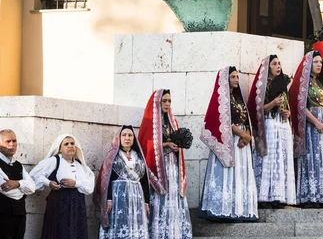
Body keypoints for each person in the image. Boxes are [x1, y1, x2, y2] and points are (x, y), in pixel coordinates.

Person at [198, 66, 258, 220]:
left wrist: (247, 136)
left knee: (239, 174)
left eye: (237, 77)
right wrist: (243, 134)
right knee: (228, 174)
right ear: (225, 79)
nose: (236, 80)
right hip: (229, 141)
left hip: (241, 142)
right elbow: (222, 121)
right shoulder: (220, 100)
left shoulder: (238, 98)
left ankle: (239, 209)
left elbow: (246, 119)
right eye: (233, 77)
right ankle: (224, 209)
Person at [138, 90, 192, 239]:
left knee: (173, 197)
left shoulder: (172, 122)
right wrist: (166, 144)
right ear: (158, 103)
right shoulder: (150, 122)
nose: (167, 104)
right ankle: (159, 234)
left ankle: (174, 233)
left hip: (172, 166)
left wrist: (177, 145)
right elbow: (145, 145)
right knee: (160, 199)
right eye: (164, 101)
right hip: (159, 167)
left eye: (169, 101)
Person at [289, 49, 323, 207]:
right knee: (312, 159)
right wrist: (316, 122)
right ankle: (310, 196)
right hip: (311, 127)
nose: (318, 64)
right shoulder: (304, 83)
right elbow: (299, 105)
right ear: (309, 63)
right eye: (315, 62)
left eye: (320, 62)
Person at [247, 55, 296, 207]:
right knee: (268, 160)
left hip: (281, 125)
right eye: (274, 64)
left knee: (281, 160)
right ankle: (264, 197)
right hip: (268, 124)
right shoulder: (261, 86)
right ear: (268, 67)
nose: (278, 66)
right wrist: (273, 103)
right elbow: (256, 110)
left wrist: (287, 113)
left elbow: (286, 106)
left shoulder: (282, 84)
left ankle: (279, 196)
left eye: (279, 63)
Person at [30, 133, 94, 239]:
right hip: (59, 202)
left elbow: (89, 186)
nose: (70, 146)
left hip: (76, 204)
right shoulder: (54, 161)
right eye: (66, 144)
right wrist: (49, 183)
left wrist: (76, 183)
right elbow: (35, 175)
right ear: (59, 148)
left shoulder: (80, 165)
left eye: (72, 143)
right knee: (58, 231)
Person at [95, 125, 150, 239]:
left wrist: (146, 202)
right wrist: (108, 199)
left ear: (134, 139)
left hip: (136, 198)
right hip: (117, 198)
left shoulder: (139, 157)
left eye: (130, 135)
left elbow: (144, 181)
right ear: (118, 138)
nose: (127, 138)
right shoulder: (113, 156)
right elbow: (106, 179)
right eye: (124, 135)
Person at [0, 129, 35, 239]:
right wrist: (23, 189)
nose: (12, 144)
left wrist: (18, 184)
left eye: (14, 141)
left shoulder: (18, 165)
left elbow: (32, 187)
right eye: (8, 141)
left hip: (20, 215)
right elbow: (6, 190)